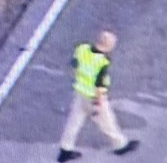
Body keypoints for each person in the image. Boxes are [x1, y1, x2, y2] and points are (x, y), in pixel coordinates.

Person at [56, 30, 139, 160]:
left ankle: (65, 150)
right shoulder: (102, 62)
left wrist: (79, 78)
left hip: (80, 92)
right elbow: (99, 86)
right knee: (107, 122)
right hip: (93, 97)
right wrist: (97, 104)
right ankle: (120, 145)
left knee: (74, 122)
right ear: (109, 46)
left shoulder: (82, 49)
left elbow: (74, 65)